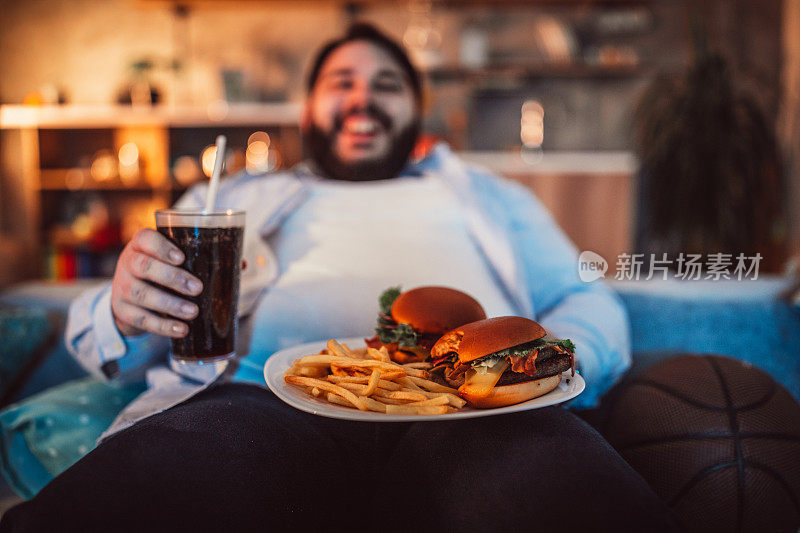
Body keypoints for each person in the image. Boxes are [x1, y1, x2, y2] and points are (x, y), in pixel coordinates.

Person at [1, 24, 681, 532]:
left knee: (562, 493)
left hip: (469, 412)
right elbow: (121, 339)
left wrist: (553, 370)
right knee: (155, 485)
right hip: (258, 399)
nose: (364, 99)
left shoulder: (485, 192)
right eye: (342, 84)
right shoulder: (237, 197)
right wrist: (124, 307)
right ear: (308, 113)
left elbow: (583, 295)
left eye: (386, 86)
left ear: (414, 112)